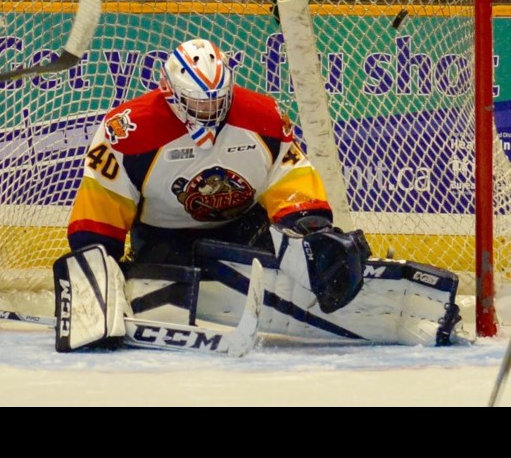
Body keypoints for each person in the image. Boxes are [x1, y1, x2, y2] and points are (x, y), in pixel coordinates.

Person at [54, 37, 465, 352]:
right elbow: (102, 199)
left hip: (243, 227)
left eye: (217, 100)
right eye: (198, 103)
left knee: (309, 258)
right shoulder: (129, 130)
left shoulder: (263, 116)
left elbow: (289, 177)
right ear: (171, 94)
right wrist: (96, 264)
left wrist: (310, 225)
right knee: (162, 292)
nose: (209, 111)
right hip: (164, 235)